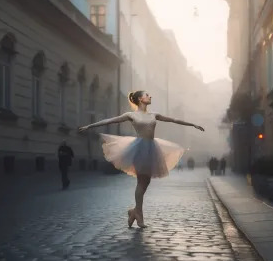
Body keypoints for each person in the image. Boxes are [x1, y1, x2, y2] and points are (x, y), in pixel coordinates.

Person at [78, 90, 204, 228]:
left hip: (152, 148)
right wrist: (89, 126)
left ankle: (134, 211)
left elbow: (173, 120)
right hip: (138, 149)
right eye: (147, 95)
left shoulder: (153, 115)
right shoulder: (131, 115)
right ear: (139, 99)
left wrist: (192, 124)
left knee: (146, 181)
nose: (150, 96)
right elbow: (110, 120)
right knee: (141, 181)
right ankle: (139, 215)